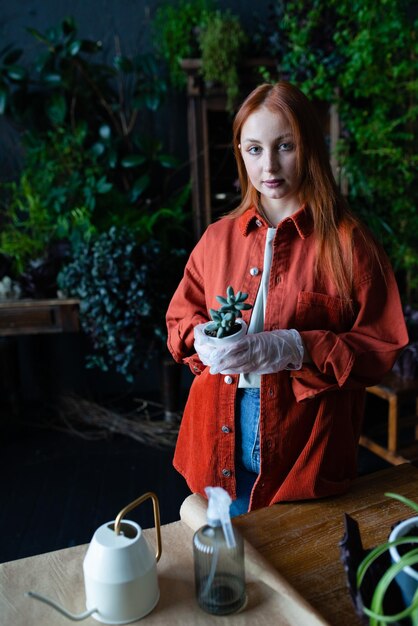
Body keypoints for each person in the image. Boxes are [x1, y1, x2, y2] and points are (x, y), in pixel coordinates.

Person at [166, 81, 408, 516]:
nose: (270, 165)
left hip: (306, 454)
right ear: (239, 151)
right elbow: (180, 319)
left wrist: (299, 346)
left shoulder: (351, 245)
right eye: (254, 149)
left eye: (286, 146)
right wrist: (199, 336)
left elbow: (382, 346)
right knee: (231, 567)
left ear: (310, 147)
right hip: (216, 441)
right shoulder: (216, 238)